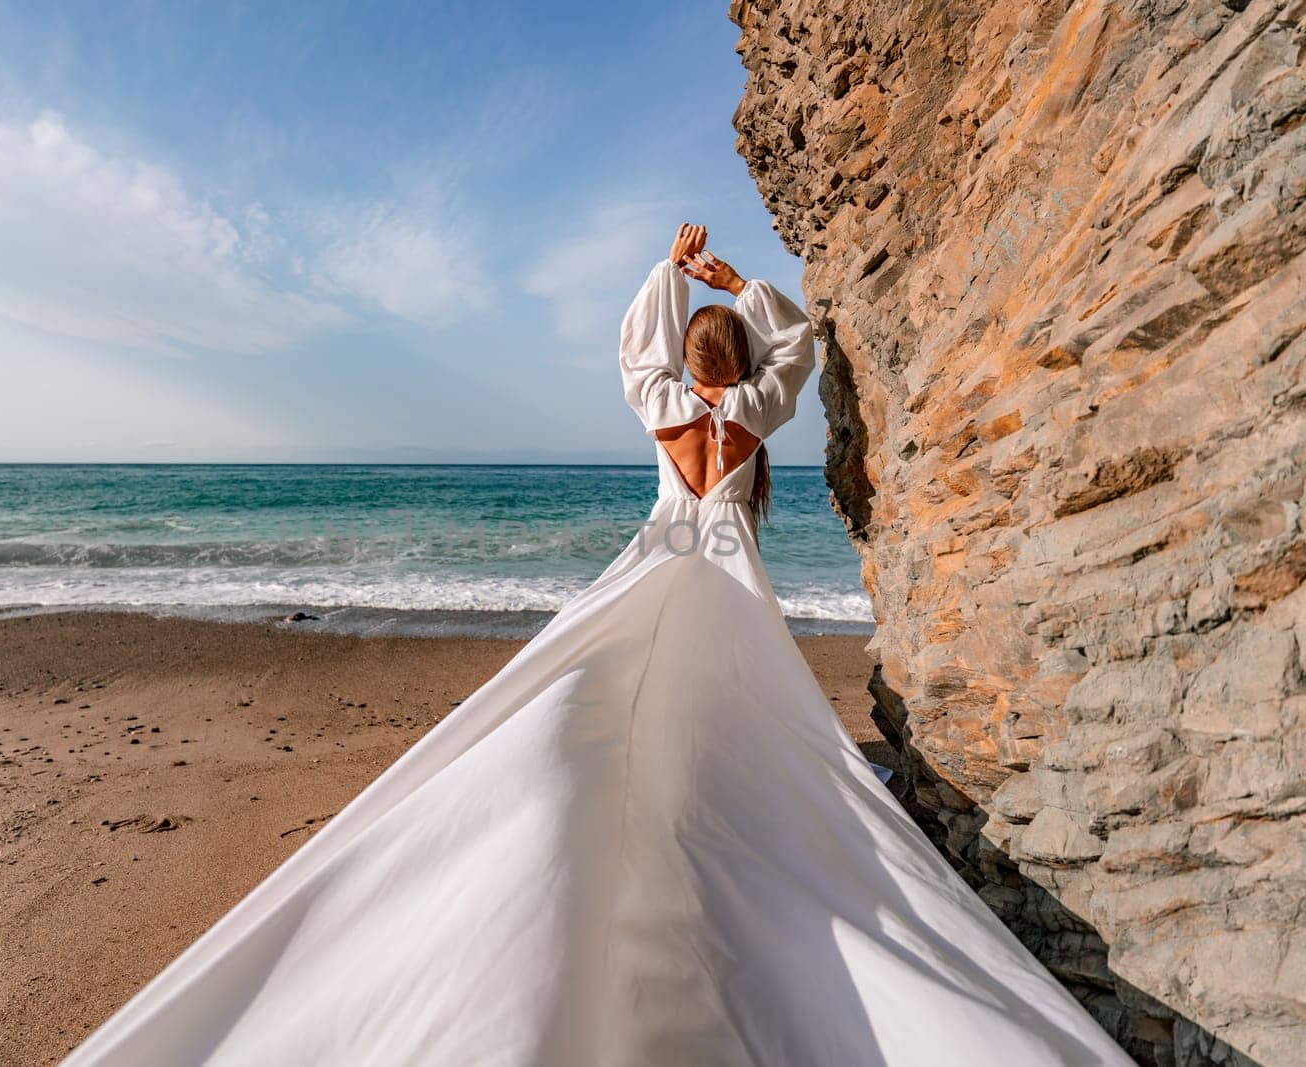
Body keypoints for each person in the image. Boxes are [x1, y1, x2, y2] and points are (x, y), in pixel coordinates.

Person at [59, 224, 1136, 1066]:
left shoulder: (670, 404)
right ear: (741, 355)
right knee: (735, 710)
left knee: (622, 687)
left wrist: (668, 276)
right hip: (730, 569)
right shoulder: (756, 407)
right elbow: (801, 338)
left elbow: (634, 351)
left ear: (685, 359)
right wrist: (733, 287)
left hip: (664, 551)